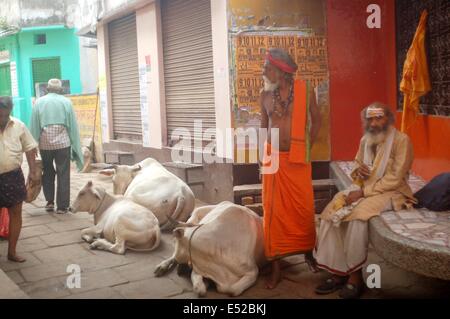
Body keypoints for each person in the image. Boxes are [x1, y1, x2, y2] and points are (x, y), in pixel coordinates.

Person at [314, 102, 416, 299]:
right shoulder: (365, 140)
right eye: (370, 119)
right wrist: (358, 172)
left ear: (388, 119)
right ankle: (337, 273)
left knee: (356, 217)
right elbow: (357, 167)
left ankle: (355, 278)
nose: (374, 122)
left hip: (393, 192)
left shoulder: (402, 140)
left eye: (379, 117)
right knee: (331, 212)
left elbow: (394, 179)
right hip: (364, 187)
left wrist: (362, 193)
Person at [259, 48, 321, 289]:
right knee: (273, 213)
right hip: (273, 160)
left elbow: (317, 120)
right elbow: (264, 129)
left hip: (297, 162)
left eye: (268, 68)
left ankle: (308, 253)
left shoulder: (305, 92)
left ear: (282, 72)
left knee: (304, 209)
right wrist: (262, 159)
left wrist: (306, 148)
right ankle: (276, 267)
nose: (263, 71)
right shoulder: (264, 94)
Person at [30, 79, 83, 214]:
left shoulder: (39, 102)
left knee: (47, 172)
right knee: (63, 173)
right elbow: (72, 126)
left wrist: (32, 145)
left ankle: (49, 202)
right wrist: (75, 144)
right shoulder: (66, 102)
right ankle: (62, 206)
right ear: (60, 90)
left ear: (47, 89)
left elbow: (34, 125)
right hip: (63, 143)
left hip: (45, 143)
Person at [0, 96, 38, 262]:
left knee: (16, 213)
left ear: (10, 110)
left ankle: (12, 252)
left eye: (4, 114)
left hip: (13, 176)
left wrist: (33, 170)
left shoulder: (19, 126)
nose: (1, 118)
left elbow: (30, 148)